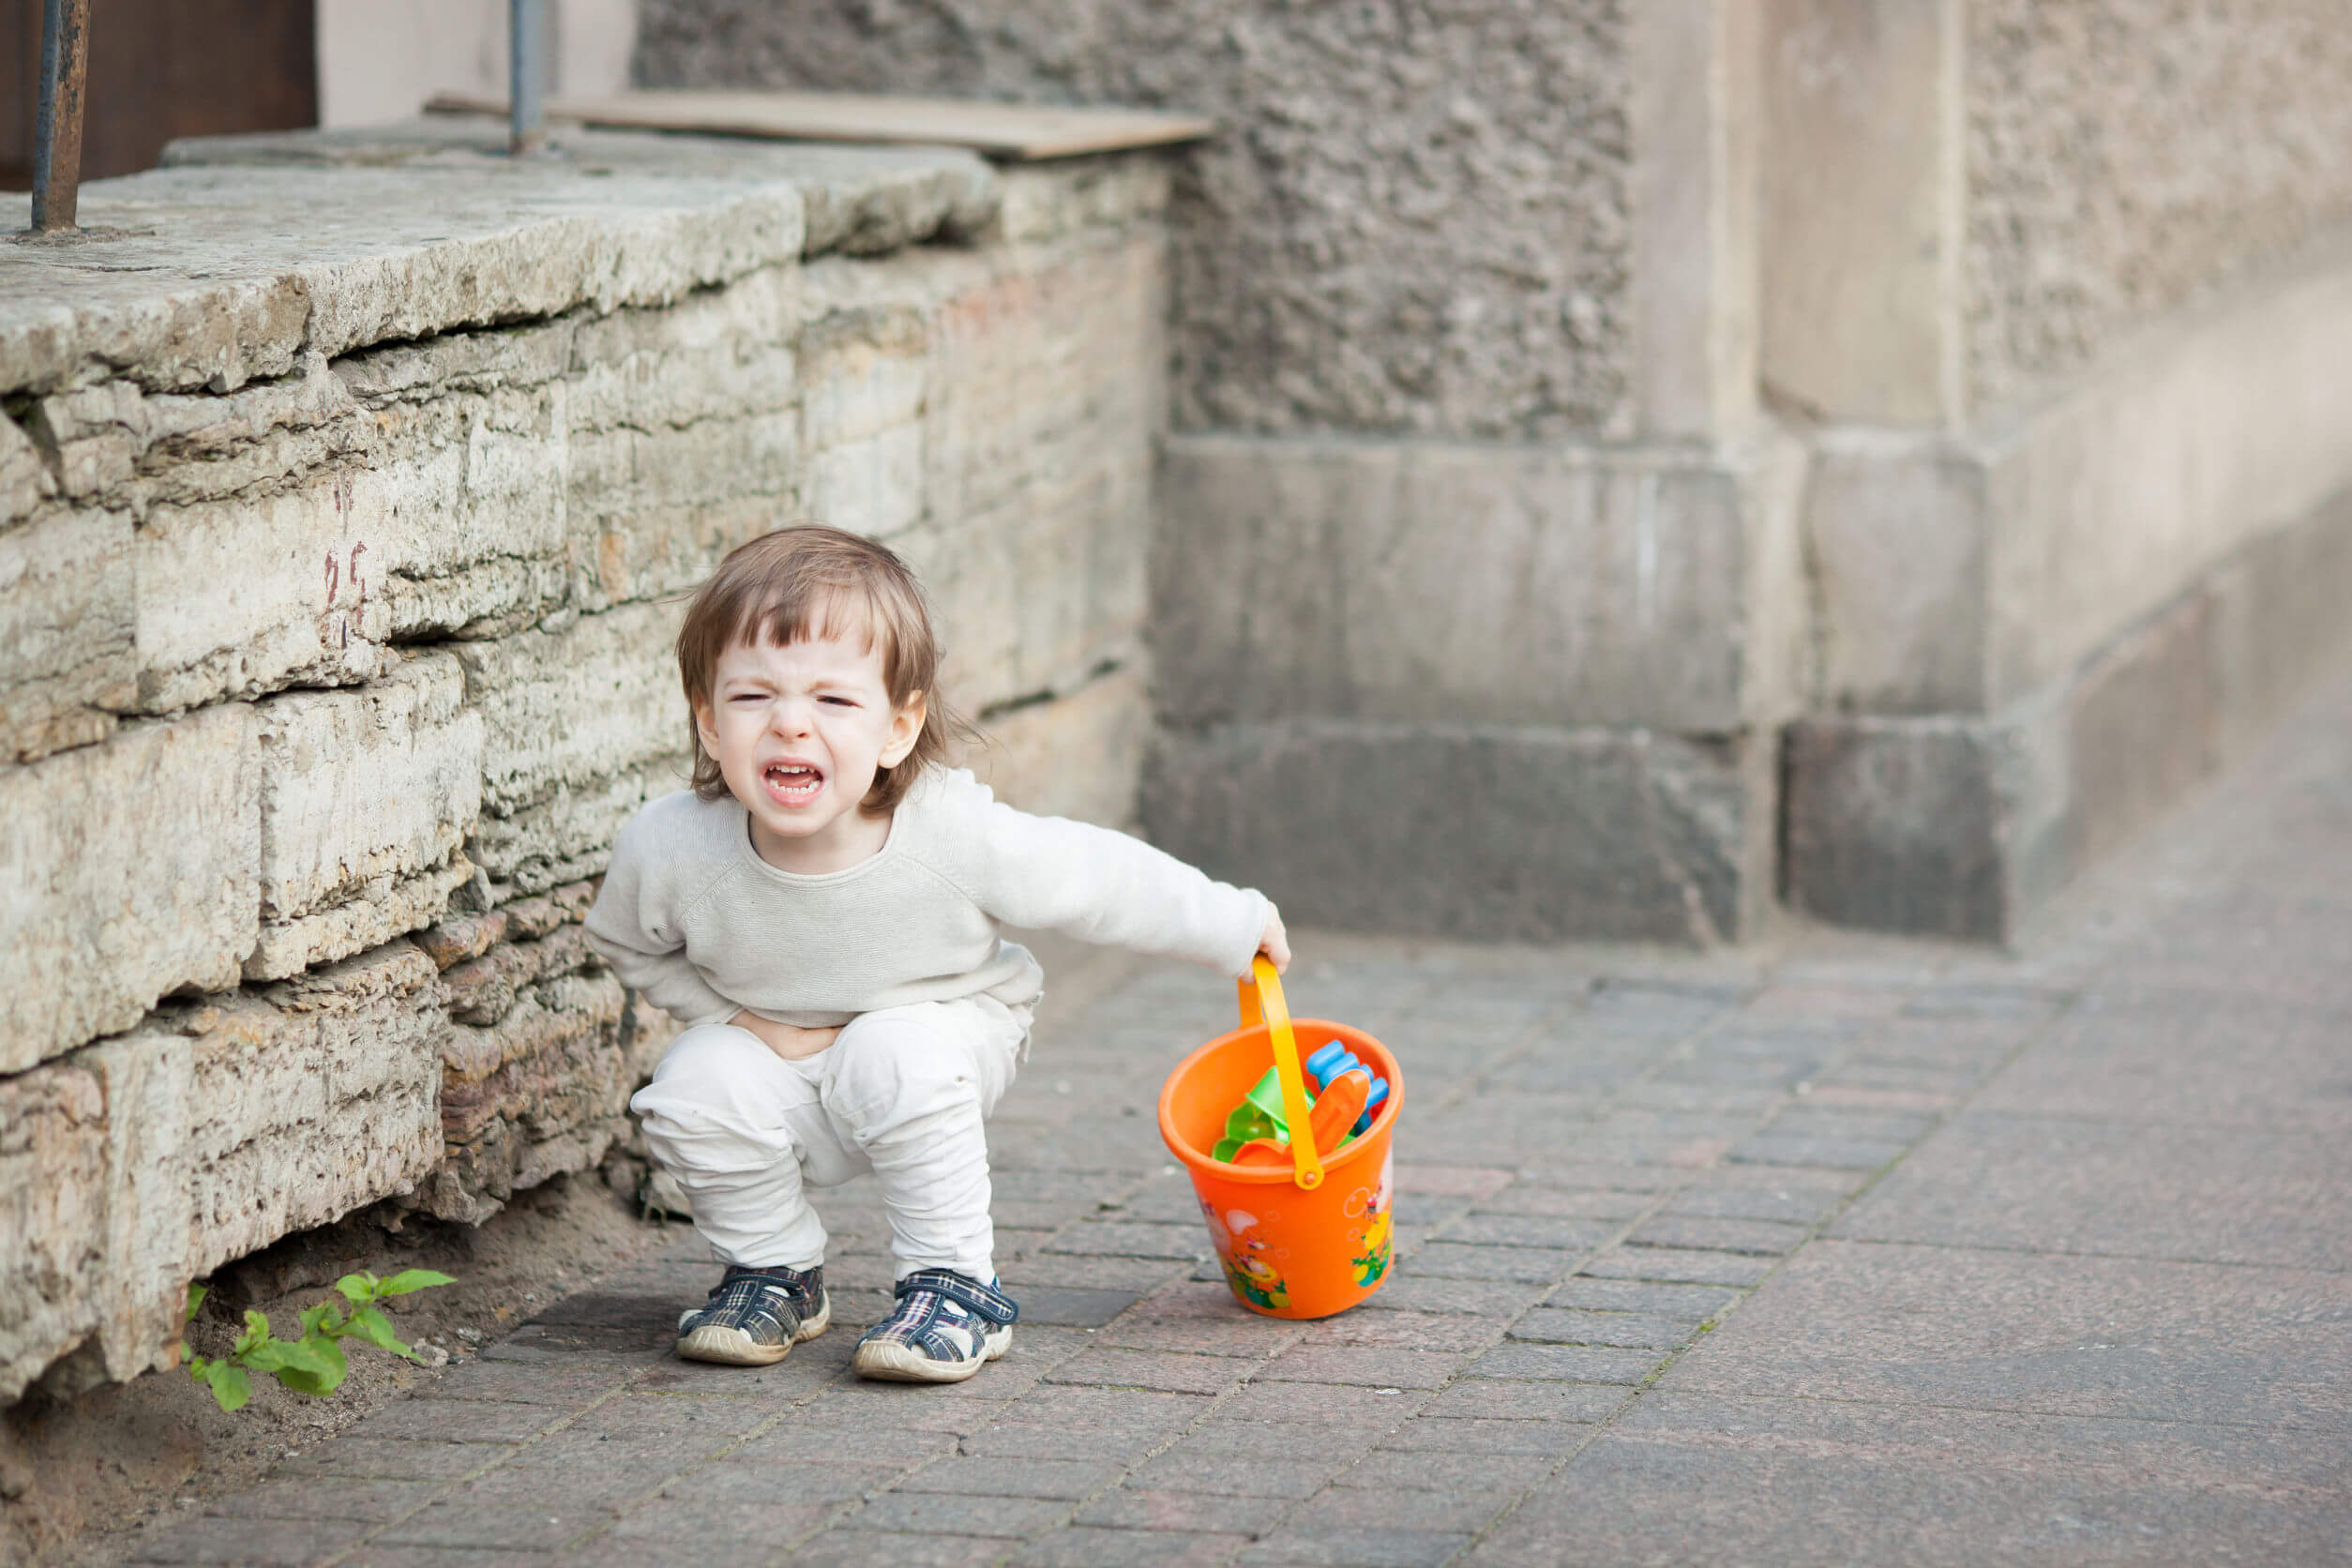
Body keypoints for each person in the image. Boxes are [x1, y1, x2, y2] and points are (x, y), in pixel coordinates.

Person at [584, 526, 1288, 1383]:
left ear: (897, 726)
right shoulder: (672, 849)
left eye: (834, 702)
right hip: (782, 1050)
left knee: (893, 1048)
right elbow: (623, 944)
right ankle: (774, 1272)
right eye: (752, 697)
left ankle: (955, 1283)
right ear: (707, 719)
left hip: (946, 1033)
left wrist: (1231, 924)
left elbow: (1095, 878)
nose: (790, 724)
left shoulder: (949, 832)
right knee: (690, 1083)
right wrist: (734, 1019)